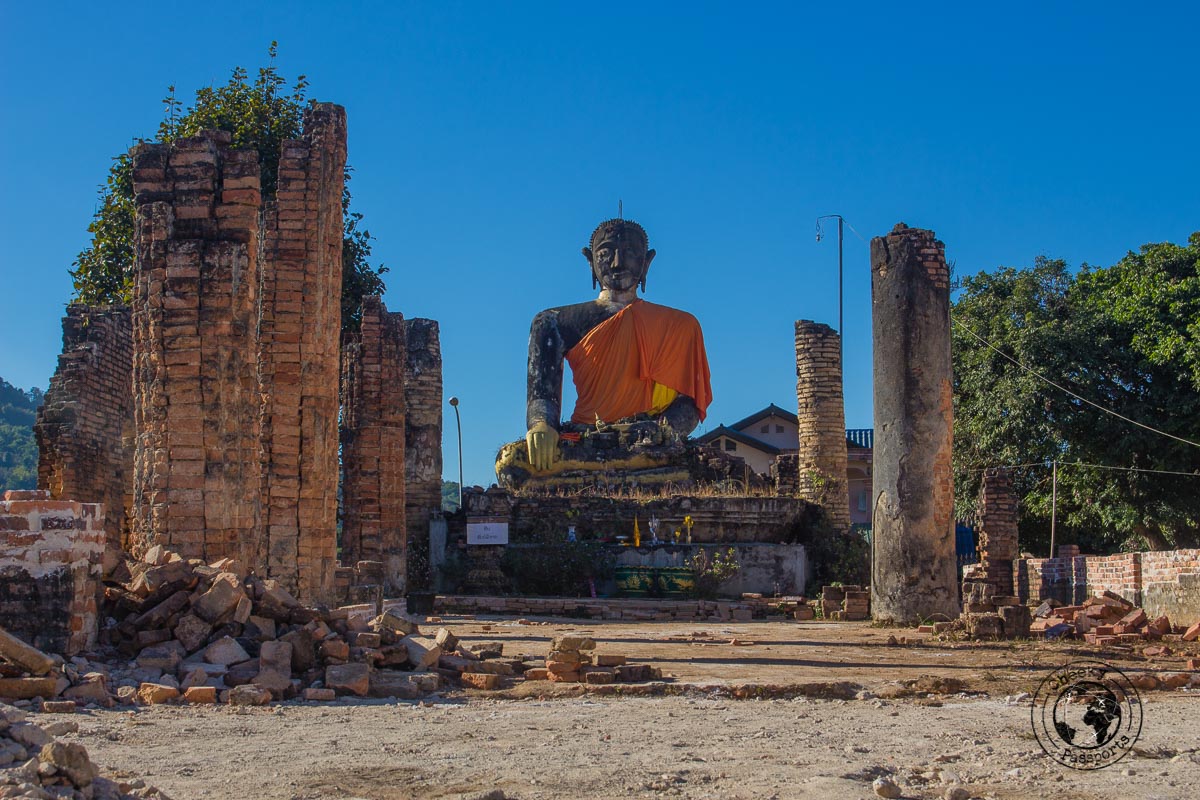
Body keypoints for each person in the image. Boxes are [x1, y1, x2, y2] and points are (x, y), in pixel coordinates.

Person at [525, 218, 712, 469]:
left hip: (646, 442)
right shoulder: (553, 322)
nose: (617, 263)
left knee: (692, 465)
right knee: (512, 463)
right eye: (606, 252)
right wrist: (541, 426)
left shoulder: (681, 326)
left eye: (630, 253)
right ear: (590, 261)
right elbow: (542, 396)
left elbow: (688, 403)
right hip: (586, 439)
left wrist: (660, 435)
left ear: (646, 262)